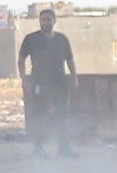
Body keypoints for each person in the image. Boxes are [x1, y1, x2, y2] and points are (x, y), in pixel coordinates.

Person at [18, 8, 78, 157]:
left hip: (59, 82)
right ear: (40, 21)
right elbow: (21, 59)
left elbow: (69, 60)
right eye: (43, 20)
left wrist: (74, 77)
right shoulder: (31, 39)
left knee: (62, 115)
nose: (46, 22)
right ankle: (38, 149)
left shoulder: (62, 39)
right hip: (39, 83)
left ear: (54, 21)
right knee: (40, 115)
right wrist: (24, 79)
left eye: (49, 20)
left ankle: (64, 148)